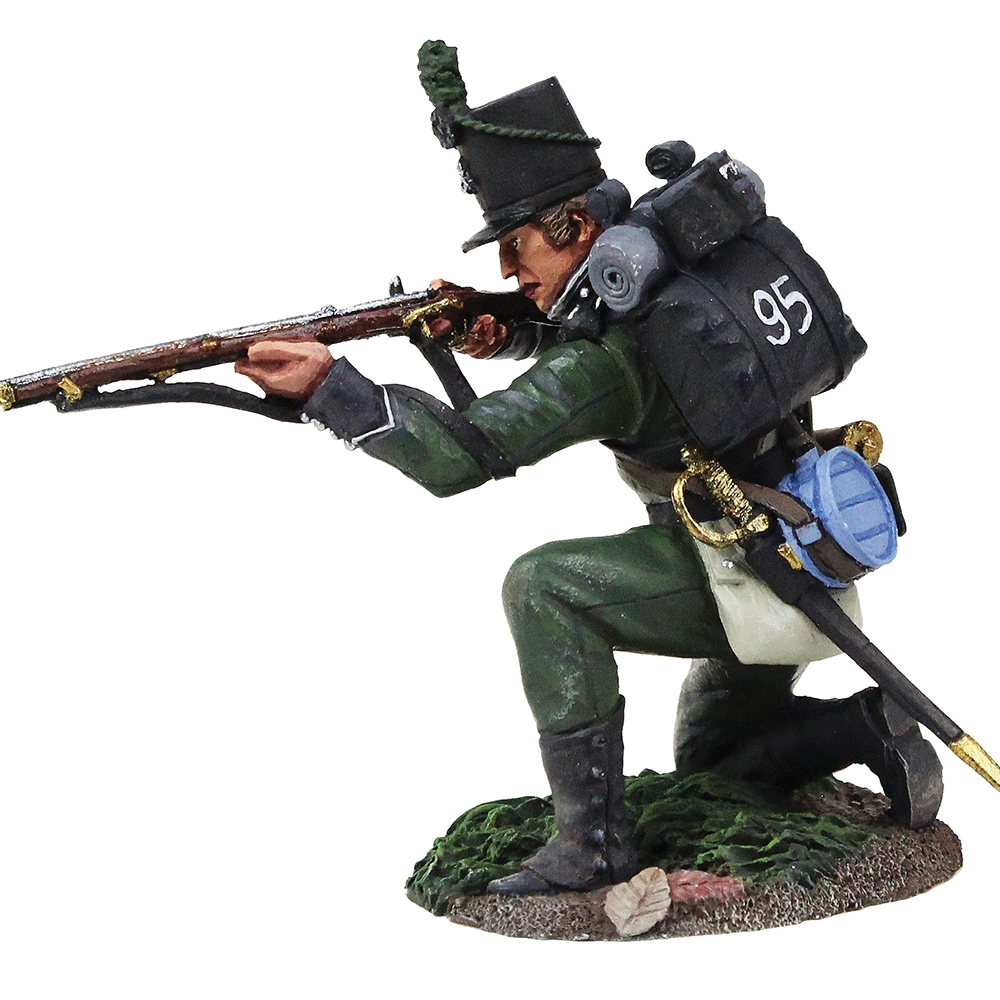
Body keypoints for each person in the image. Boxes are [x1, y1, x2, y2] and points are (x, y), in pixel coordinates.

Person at [234, 41, 943, 895]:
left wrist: (330, 388)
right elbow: (592, 327)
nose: (506, 269)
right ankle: (868, 725)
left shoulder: (605, 364)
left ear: (578, 230)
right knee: (713, 757)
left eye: (518, 242)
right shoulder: (682, 273)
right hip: (804, 535)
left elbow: (462, 456)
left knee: (544, 587)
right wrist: (503, 332)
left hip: (737, 565)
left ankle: (593, 848)